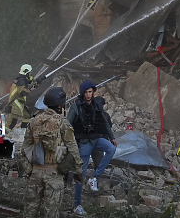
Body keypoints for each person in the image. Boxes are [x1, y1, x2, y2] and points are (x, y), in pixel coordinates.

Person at [23, 87, 83, 218]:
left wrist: (29, 171)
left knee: (29, 212)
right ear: (60, 106)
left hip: (35, 173)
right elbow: (73, 148)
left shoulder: (34, 121)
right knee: (51, 213)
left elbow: (25, 148)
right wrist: (78, 171)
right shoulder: (63, 123)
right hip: (54, 175)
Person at [68, 80, 116, 215]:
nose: (88, 95)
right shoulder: (76, 106)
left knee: (111, 149)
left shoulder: (97, 105)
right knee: (80, 174)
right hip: (84, 142)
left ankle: (94, 178)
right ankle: (77, 204)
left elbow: (105, 122)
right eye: (86, 92)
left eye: (90, 92)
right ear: (82, 93)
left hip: (96, 139)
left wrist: (112, 137)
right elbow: (67, 124)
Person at [6, 64, 34, 130]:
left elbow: (29, 82)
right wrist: (30, 90)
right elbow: (22, 92)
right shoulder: (21, 80)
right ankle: (4, 134)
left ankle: (23, 131)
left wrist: (36, 81)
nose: (30, 75)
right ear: (26, 72)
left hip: (20, 101)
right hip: (16, 101)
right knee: (13, 120)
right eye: (30, 73)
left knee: (27, 116)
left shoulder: (22, 79)